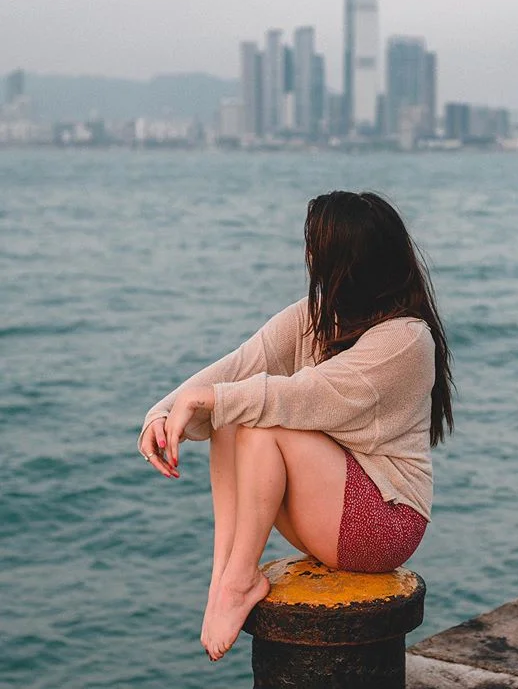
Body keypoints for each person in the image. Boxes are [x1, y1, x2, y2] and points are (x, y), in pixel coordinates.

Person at [137, 190, 454, 662]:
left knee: (259, 421)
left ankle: (241, 577)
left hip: (386, 522)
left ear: (346, 260)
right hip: (330, 508)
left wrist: (208, 400)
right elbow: (238, 367)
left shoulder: (406, 340)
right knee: (232, 417)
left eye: (315, 246)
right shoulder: (314, 317)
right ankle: (225, 577)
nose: (307, 256)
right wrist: (161, 414)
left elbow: (305, 396)